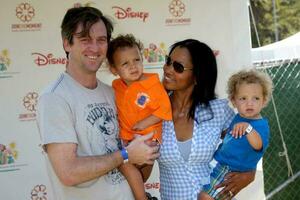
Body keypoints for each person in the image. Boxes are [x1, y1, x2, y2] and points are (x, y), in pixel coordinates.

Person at [36, 6, 159, 200]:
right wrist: (125, 155)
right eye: (85, 39)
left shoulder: (113, 93)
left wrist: (147, 151)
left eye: (101, 40)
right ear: (67, 43)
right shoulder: (54, 98)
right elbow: (68, 172)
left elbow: (138, 172)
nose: (95, 48)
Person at [156, 39, 256, 200]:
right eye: (168, 62)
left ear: (197, 77)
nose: (167, 69)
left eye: (178, 67)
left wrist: (249, 173)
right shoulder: (154, 113)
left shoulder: (218, 110)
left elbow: (246, 147)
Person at [106, 34, 172, 199]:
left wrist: (145, 123)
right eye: (125, 63)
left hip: (149, 136)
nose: (133, 66)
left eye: (136, 60)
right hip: (128, 138)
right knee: (129, 171)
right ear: (114, 69)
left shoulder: (152, 84)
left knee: (126, 166)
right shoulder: (116, 87)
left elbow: (165, 110)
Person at [199, 69, 273, 200]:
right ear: (234, 101)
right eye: (243, 98)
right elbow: (232, 136)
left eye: (256, 98)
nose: (249, 103)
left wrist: (248, 129)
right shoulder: (239, 117)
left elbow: (258, 145)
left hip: (230, 169)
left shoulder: (261, 125)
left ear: (264, 100)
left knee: (205, 197)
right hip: (217, 162)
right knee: (200, 191)